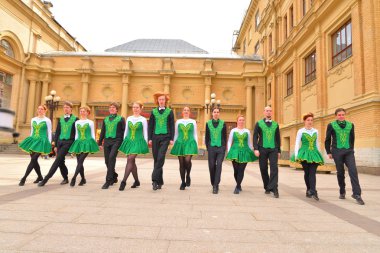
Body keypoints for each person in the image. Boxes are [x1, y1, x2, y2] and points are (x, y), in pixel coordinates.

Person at [325, 108, 365, 205]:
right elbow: (327, 139)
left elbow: (352, 138)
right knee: (340, 172)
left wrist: (351, 149)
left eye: (343, 114)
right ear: (336, 116)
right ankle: (342, 191)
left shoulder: (351, 125)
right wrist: (328, 152)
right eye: (339, 115)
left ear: (345, 115)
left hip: (348, 151)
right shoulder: (331, 125)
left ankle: (357, 194)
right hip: (336, 151)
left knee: (353, 171)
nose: (341, 116)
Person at [38, 101, 78, 186]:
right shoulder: (61, 119)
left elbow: (77, 133)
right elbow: (57, 132)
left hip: (69, 142)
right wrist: (55, 145)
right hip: (60, 142)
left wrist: (75, 145)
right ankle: (66, 178)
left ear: (71, 109)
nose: (65, 109)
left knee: (57, 160)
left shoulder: (76, 119)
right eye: (64, 107)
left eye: (67, 107)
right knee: (60, 161)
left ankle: (46, 179)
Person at [291, 113, 324, 201]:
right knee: (307, 172)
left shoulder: (316, 131)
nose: (310, 122)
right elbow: (297, 143)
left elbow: (316, 143)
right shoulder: (301, 131)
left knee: (312, 172)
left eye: (311, 120)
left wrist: (319, 153)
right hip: (304, 153)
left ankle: (313, 191)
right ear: (304, 121)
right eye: (308, 120)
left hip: (314, 153)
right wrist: (296, 155)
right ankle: (308, 189)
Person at [118, 101, 149, 191]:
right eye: (134, 107)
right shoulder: (129, 118)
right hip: (129, 141)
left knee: (130, 159)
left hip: (138, 141)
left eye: (137, 107)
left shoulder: (143, 119)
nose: (135, 109)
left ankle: (123, 181)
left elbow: (145, 132)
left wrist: (146, 143)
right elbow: (126, 131)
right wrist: (124, 141)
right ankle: (136, 181)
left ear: (140, 109)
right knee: (132, 162)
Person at [18, 105, 52, 186]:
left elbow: (49, 132)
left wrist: (49, 143)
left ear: (45, 110)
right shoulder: (33, 119)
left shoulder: (47, 120)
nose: (40, 110)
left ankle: (24, 178)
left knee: (33, 159)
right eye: (38, 109)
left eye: (41, 109)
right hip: (33, 140)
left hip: (42, 141)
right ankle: (40, 177)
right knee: (34, 161)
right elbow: (32, 130)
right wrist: (30, 139)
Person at [148, 91, 175, 191]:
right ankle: (160, 181)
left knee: (160, 158)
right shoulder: (153, 111)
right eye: (160, 99)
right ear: (157, 101)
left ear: (165, 101)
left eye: (163, 99)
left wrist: (172, 138)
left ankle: (154, 180)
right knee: (157, 159)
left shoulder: (169, 112)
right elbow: (150, 125)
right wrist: (150, 138)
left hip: (166, 137)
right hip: (155, 137)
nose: (161, 101)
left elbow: (172, 125)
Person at [253, 106, 281, 198]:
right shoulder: (259, 123)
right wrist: (256, 148)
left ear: (271, 112)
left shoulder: (276, 124)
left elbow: (278, 138)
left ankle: (274, 188)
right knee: (263, 168)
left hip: (273, 149)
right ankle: (267, 186)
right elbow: (255, 136)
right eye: (267, 111)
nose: (268, 112)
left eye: (270, 111)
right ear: (264, 112)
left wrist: (279, 150)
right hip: (262, 148)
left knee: (274, 168)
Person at [68, 106, 99, 186]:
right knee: (79, 162)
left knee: (80, 161)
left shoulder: (90, 122)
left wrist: (94, 144)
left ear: (88, 113)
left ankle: (74, 178)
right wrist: (75, 145)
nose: (82, 112)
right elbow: (76, 134)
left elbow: (92, 134)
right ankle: (83, 179)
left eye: (84, 111)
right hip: (78, 142)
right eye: (81, 111)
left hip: (87, 143)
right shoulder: (77, 122)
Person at [226, 115, 257, 194]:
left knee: (241, 170)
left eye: (243, 120)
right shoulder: (233, 130)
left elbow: (249, 143)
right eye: (240, 120)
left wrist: (252, 151)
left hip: (245, 151)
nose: (241, 121)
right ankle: (239, 185)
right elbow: (229, 141)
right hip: (235, 151)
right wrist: (229, 151)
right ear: (237, 121)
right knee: (236, 170)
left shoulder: (247, 131)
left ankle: (237, 186)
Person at [98, 102, 126, 189]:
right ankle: (114, 175)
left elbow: (124, 131)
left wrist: (123, 142)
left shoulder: (121, 119)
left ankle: (108, 180)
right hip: (107, 141)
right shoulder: (105, 119)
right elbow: (103, 131)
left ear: (117, 109)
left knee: (111, 158)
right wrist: (99, 143)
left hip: (117, 141)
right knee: (107, 161)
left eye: (113, 107)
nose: (112, 108)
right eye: (110, 107)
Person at [170, 106, 198, 190]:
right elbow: (176, 134)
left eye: (187, 110)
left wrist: (196, 144)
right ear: (182, 112)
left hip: (190, 143)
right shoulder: (178, 121)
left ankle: (188, 175)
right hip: (180, 143)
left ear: (189, 112)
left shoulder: (193, 121)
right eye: (184, 110)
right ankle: (183, 182)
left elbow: (195, 134)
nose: (186, 111)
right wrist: (174, 144)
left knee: (187, 160)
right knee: (181, 163)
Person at [205, 107, 227, 194]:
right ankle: (213, 182)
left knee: (219, 165)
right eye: (215, 112)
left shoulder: (223, 123)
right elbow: (207, 136)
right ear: (212, 113)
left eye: (218, 112)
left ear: (219, 113)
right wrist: (208, 147)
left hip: (221, 147)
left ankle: (216, 185)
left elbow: (225, 135)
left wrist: (224, 146)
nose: (216, 113)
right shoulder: (208, 123)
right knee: (211, 165)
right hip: (211, 147)